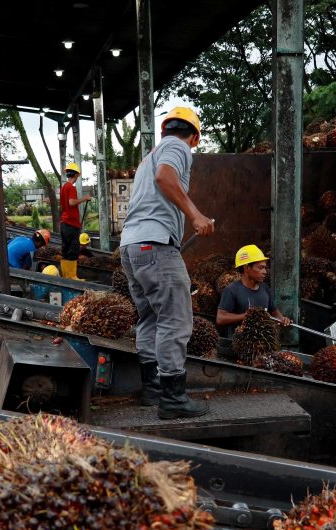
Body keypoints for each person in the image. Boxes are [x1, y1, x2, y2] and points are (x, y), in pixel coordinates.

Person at [119, 105, 215, 419]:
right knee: (175, 319)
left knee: (149, 317)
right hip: (155, 245)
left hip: (132, 246)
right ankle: (173, 398)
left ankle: (153, 389)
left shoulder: (148, 157)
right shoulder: (177, 147)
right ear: (195, 137)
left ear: (164, 129)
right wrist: (196, 215)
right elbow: (165, 177)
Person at [216, 244, 292, 337]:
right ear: (247, 268)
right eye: (260, 268)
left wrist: (282, 319)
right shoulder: (232, 290)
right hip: (241, 343)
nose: (265, 272)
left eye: (265, 268)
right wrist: (246, 316)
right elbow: (221, 318)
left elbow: (274, 312)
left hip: (264, 342)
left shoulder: (265, 288)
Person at [59, 162, 90, 279]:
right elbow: (71, 202)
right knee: (72, 250)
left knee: (65, 250)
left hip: (64, 223)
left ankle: (65, 275)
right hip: (71, 224)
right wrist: (84, 198)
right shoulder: (71, 188)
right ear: (76, 175)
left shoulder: (63, 187)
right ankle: (71, 276)